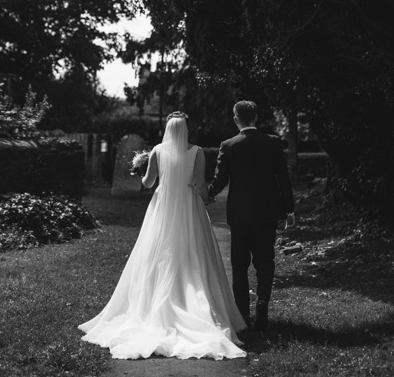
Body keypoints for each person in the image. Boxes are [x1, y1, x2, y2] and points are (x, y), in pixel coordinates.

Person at [79, 111, 247, 359]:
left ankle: (152, 308)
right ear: (186, 129)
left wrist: (141, 169)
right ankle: (196, 306)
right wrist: (207, 198)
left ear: (168, 129)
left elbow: (148, 183)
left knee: (157, 254)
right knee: (193, 254)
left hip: (163, 207)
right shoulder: (197, 151)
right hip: (189, 208)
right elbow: (200, 184)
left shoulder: (157, 150)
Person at [208, 100, 295, 332]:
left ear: (236, 119)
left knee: (239, 264)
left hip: (240, 215)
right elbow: (283, 179)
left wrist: (204, 195)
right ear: (256, 118)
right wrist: (289, 210)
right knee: (265, 261)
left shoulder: (228, 145)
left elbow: (220, 180)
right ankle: (263, 304)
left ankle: (243, 315)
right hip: (267, 213)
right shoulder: (274, 143)